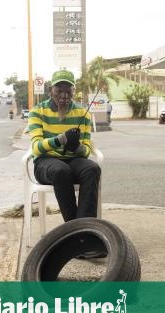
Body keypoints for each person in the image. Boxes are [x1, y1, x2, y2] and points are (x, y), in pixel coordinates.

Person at [27, 70, 101, 222]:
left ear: (74, 91)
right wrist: (60, 139)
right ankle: (74, 227)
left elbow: (86, 151)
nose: (64, 95)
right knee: (61, 170)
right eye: (59, 90)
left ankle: (83, 228)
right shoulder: (37, 112)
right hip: (45, 163)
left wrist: (77, 147)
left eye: (68, 90)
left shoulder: (83, 114)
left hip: (73, 161)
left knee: (92, 169)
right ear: (50, 90)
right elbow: (36, 148)